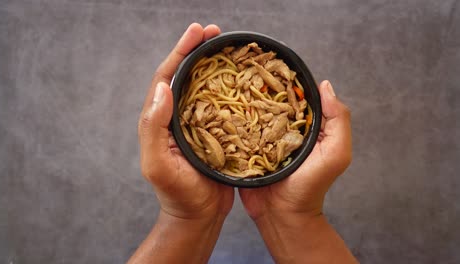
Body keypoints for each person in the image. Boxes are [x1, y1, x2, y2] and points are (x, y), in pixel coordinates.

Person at [129, 23, 357, 264]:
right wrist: (189, 215)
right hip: (224, 139)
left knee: (272, 110)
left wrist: (189, 218)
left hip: (265, 137)